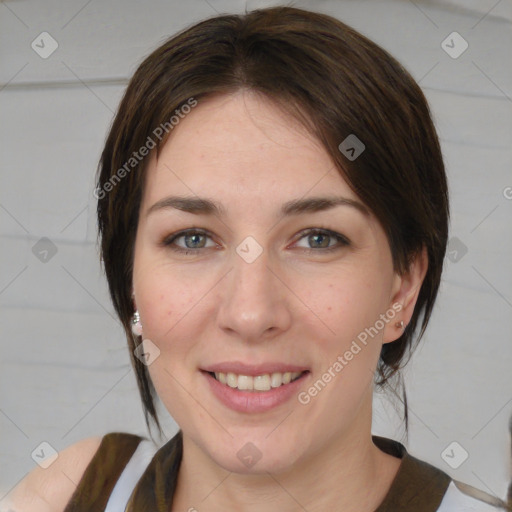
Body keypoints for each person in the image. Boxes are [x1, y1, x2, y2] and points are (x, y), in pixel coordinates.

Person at [6, 6, 509, 512]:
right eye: (193, 239)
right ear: (130, 277)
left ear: (402, 289)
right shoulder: (71, 493)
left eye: (317, 239)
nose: (250, 314)